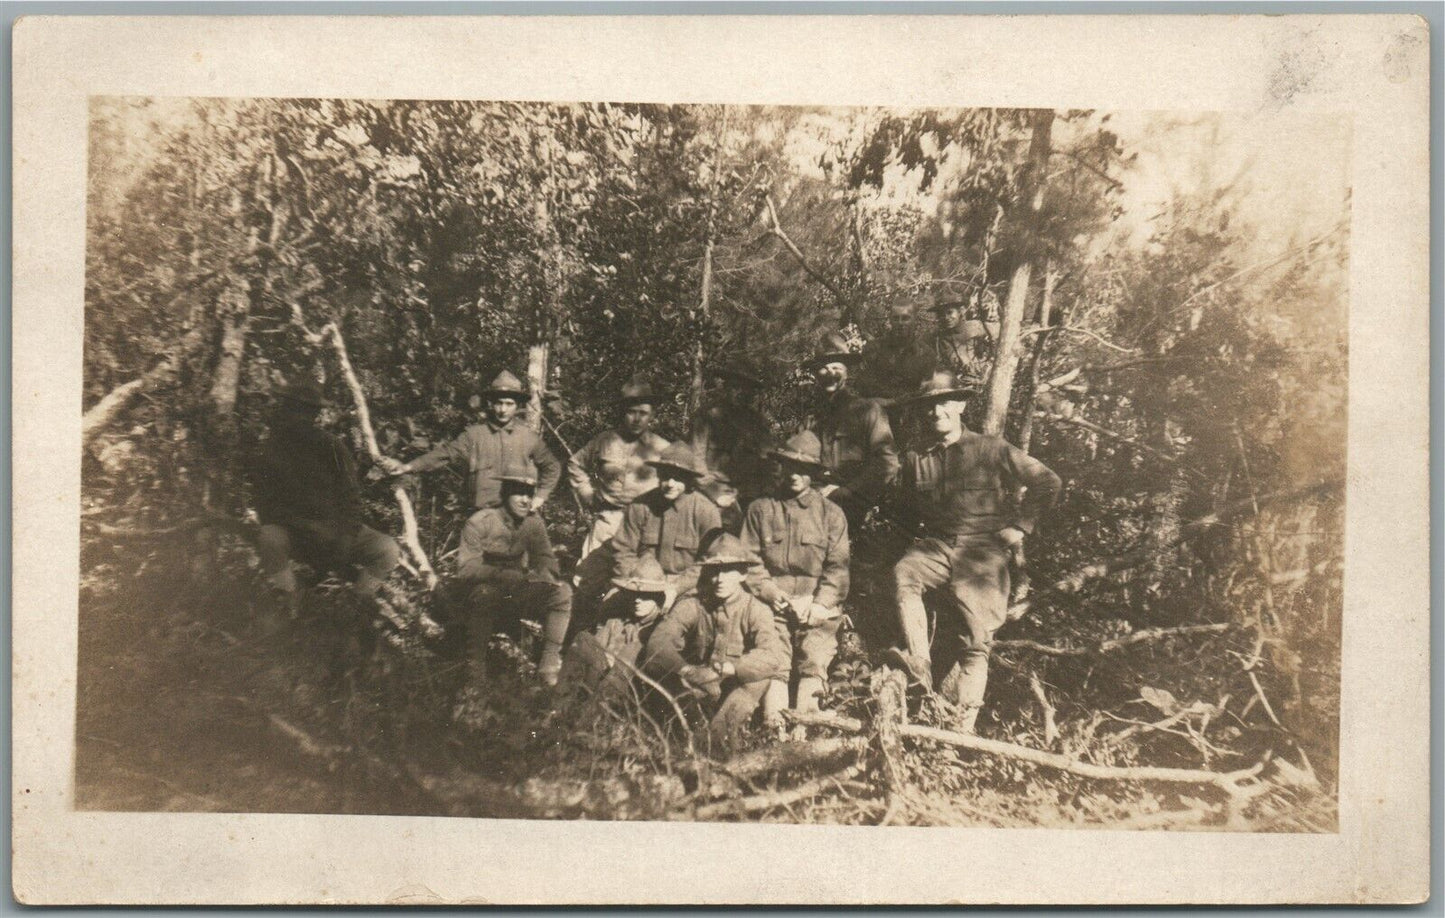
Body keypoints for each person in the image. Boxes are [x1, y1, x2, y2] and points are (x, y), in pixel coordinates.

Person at [886, 370, 1062, 734]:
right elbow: (901, 509)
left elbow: (1048, 481)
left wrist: (1021, 527)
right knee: (905, 571)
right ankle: (919, 661)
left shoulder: (991, 447)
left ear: (961, 405)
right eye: (930, 406)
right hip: (937, 545)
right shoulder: (916, 457)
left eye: (945, 403)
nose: (937, 412)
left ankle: (961, 733)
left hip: (982, 552)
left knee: (975, 644)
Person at [248, 379, 400, 631]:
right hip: (295, 534)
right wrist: (303, 525)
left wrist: (345, 536)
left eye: (306, 411)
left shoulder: (331, 446)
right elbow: (265, 507)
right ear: (285, 409)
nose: (299, 417)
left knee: (387, 549)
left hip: (335, 533)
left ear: (314, 415)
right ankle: (290, 603)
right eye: (294, 408)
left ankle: (356, 609)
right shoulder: (271, 450)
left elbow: (351, 497)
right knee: (268, 538)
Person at [639, 533, 788, 753]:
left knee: (759, 676)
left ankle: (719, 737)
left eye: (728, 571)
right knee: (659, 667)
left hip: (733, 689)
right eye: (715, 572)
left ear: (742, 574)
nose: (720, 579)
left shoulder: (755, 609)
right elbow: (658, 643)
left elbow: (771, 655)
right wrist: (687, 670)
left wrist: (730, 668)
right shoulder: (694, 605)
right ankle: (683, 736)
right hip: (698, 687)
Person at [741, 431, 850, 719]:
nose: (795, 475)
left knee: (813, 662)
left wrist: (820, 604)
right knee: (774, 663)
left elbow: (838, 567)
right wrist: (770, 594)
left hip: (816, 607)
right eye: (789, 466)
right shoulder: (761, 509)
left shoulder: (831, 514)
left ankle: (804, 732)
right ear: (780, 466)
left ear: (814, 473)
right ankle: (774, 733)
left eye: (804, 470)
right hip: (771, 605)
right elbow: (749, 561)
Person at [442, 468, 572, 687]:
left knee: (563, 593)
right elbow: (466, 570)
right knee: (485, 594)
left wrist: (546, 576)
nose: (525, 501)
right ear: (505, 495)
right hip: (478, 595)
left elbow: (546, 559)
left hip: (516, 591)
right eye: (519, 493)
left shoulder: (533, 523)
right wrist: (502, 576)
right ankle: (475, 668)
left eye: (529, 495)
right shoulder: (480, 522)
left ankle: (549, 665)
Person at [380, 370, 561, 513]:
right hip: (480, 516)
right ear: (490, 404)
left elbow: (553, 466)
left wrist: (539, 497)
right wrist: (407, 467)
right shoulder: (473, 435)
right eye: (498, 403)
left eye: (509, 404)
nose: (503, 410)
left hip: (517, 518)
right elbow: (444, 455)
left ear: (517, 406)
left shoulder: (527, 437)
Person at [567, 380, 670, 622]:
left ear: (652, 415)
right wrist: (587, 493)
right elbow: (575, 464)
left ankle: (626, 637)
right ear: (622, 412)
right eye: (631, 412)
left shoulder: (662, 447)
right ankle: (577, 636)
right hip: (608, 519)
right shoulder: (604, 441)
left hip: (645, 523)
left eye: (643, 413)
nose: (636, 419)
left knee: (639, 581)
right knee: (586, 579)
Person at [800, 331, 900, 531]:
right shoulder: (811, 419)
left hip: (854, 506)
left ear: (847, 372)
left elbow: (887, 463)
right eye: (823, 368)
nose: (830, 374)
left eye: (836, 367)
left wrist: (847, 491)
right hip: (813, 502)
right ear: (815, 375)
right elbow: (797, 463)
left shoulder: (868, 411)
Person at [609, 442, 722, 603]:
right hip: (641, 583)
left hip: (688, 589)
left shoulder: (706, 511)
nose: (670, 484)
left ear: (689, 480)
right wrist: (637, 584)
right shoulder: (640, 506)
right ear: (658, 475)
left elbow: (709, 561)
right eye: (665, 476)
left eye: (678, 478)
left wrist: (676, 588)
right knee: (609, 611)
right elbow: (623, 551)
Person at [558, 554, 670, 704]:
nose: (638, 600)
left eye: (646, 596)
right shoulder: (616, 623)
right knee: (583, 639)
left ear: (658, 599)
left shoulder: (660, 630)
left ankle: (594, 714)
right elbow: (595, 655)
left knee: (632, 651)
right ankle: (559, 705)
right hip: (599, 685)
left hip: (636, 695)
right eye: (634, 594)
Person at [690, 360, 774, 530]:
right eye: (735, 387)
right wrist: (715, 493)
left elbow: (769, 463)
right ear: (726, 387)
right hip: (714, 493)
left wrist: (764, 494)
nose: (740, 393)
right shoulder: (707, 417)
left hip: (749, 494)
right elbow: (695, 462)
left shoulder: (757, 423)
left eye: (746, 389)